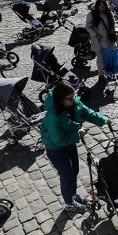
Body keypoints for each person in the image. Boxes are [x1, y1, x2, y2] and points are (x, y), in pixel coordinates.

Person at [41, 81, 110, 213]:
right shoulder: (53, 117)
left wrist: (103, 119)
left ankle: (73, 195)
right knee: (66, 175)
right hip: (56, 150)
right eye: (70, 98)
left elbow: (87, 112)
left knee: (74, 171)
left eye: (74, 96)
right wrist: (77, 134)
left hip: (70, 145)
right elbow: (58, 140)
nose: (74, 100)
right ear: (61, 99)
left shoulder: (74, 103)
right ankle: (69, 203)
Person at [85, 0, 117, 82]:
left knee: (110, 57)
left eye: (104, 6)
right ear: (97, 6)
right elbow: (88, 26)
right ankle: (101, 76)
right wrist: (95, 34)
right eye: (100, 5)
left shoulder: (109, 13)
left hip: (109, 40)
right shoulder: (92, 14)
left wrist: (116, 31)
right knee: (100, 59)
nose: (102, 7)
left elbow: (114, 24)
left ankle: (110, 73)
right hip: (98, 41)